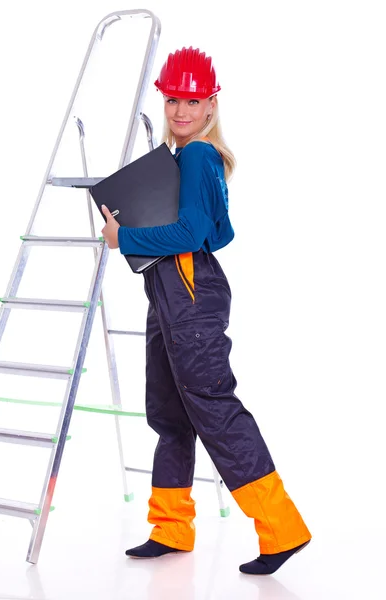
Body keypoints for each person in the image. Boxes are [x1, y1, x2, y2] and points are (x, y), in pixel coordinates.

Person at [100, 46, 311, 575]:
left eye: (192, 101)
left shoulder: (196, 155)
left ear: (211, 105)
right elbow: (223, 230)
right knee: (169, 415)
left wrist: (124, 235)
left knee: (213, 408)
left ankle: (282, 528)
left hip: (190, 291)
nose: (180, 112)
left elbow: (194, 234)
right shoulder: (186, 159)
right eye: (173, 100)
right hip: (168, 287)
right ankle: (171, 527)